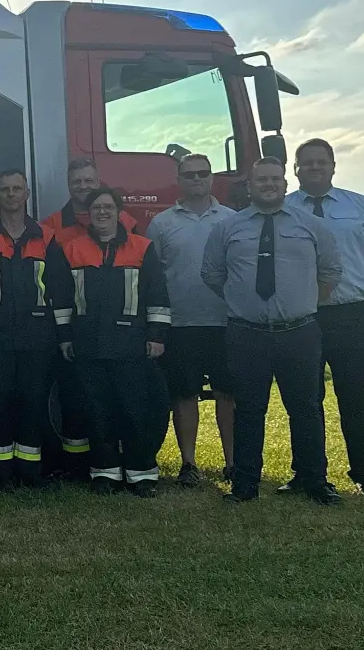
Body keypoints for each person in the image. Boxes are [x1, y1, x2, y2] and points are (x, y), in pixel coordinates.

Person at [203, 157, 343, 505]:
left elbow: (330, 272)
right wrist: (244, 301)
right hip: (246, 334)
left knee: (307, 408)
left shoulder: (311, 225)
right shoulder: (227, 228)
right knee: (248, 410)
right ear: (249, 186)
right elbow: (212, 274)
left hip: (300, 332)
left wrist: (301, 302)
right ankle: (245, 485)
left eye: (274, 179)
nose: (268, 185)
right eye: (260, 180)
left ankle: (314, 481)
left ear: (285, 184)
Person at [285, 138, 364, 498]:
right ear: (296, 169)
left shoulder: (361, 207)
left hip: (354, 315)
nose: (315, 168)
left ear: (333, 166)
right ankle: (307, 473)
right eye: (307, 163)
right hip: (303, 316)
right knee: (304, 399)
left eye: (322, 162)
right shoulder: (284, 210)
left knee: (358, 398)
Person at [56, 188, 172, 497]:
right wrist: (65, 336)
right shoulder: (71, 249)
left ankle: (141, 474)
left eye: (108, 207)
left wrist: (156, 336)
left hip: (130, 344)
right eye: (97, 207)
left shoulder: (142, 248)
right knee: (97, 410)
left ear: (119, 212)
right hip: (88, 344)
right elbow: (62, 297)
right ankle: (105, 473)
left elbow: (157, 295)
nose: (102, 212)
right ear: (88, 214)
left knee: (135, 410)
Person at [0, 169, 72, 490]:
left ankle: (29, 471)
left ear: (27, 194)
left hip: (36, 333)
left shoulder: (47, 236)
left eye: (17, 189)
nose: (12, 194)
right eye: (5, 189)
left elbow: (61, 288)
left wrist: (64, 334)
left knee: (32, 399)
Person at [145, 153, 236, 486]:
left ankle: (233, 462)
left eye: (203, 173)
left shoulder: (232, 220)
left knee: (228, 394)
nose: (197, 178)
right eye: (190, 174)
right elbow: (152, 277)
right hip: (180, 324)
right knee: (184, 395)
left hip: (226, 321)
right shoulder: (162, 223)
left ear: (212, 178)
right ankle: (188, 464)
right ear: (179, 180)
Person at [40, 157, 143, 246]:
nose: (83, 186)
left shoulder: (124, 220)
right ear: (68, 185)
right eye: (77, 182)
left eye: (88, 181)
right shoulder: (51, 226)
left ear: (98, 183)